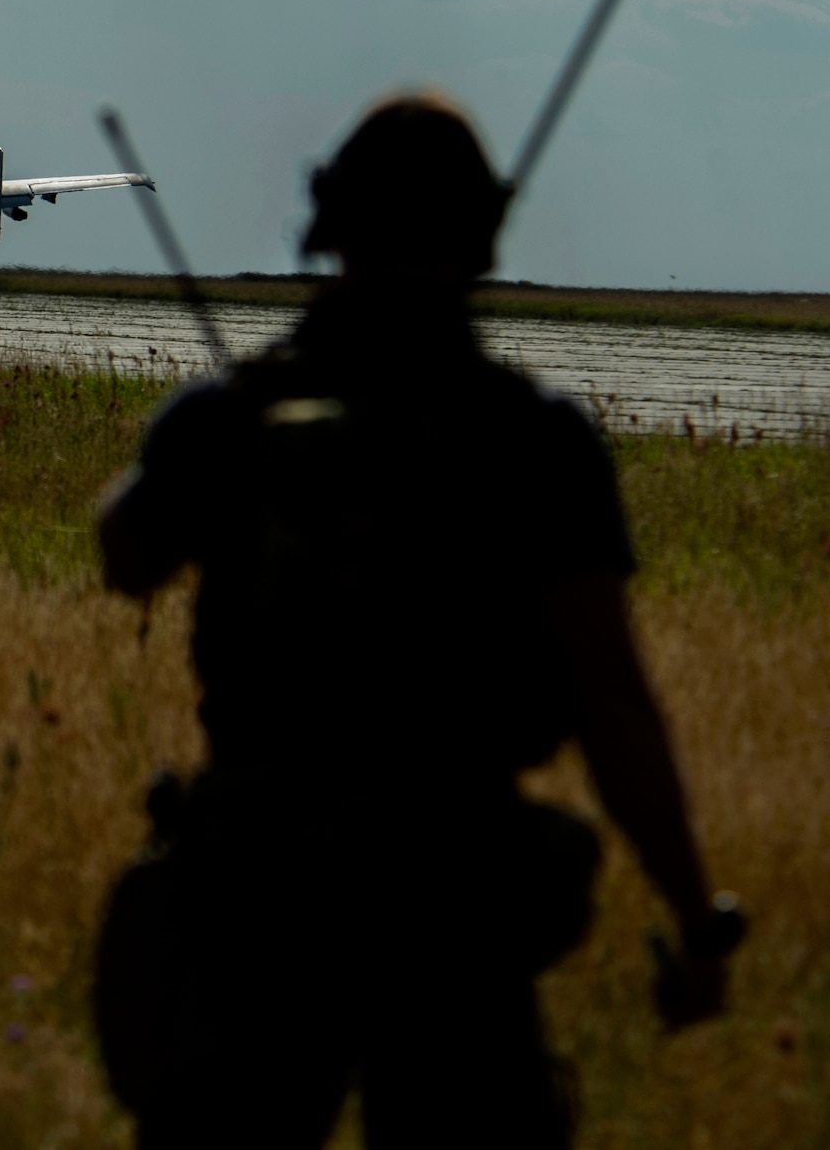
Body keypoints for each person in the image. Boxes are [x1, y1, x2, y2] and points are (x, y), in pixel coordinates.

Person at [91, 93, 741, 1149]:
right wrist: (691, 911)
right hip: (454, 901)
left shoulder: (232, 415)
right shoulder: (536, 441)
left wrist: (211, 442)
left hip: (258, 888)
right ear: (478, 235)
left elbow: (124, 554)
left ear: (328, 223)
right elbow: (612, 705)